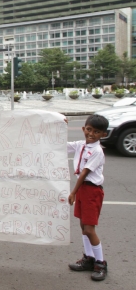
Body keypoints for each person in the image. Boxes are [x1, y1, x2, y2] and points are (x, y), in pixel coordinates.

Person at [67, 114, 109, 281]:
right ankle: (89, 258)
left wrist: (73, 193)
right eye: (89, 129)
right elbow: (59, 146)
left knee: (89, 229)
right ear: (83, 129)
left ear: (103, 135)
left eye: (97, 132)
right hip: (83, 190)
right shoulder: (80, 145)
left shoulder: (97, 151)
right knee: (83, 226)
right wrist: (59, 124)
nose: (91, 134)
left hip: (91, 191)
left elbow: (84, 173)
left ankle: (100, 263)